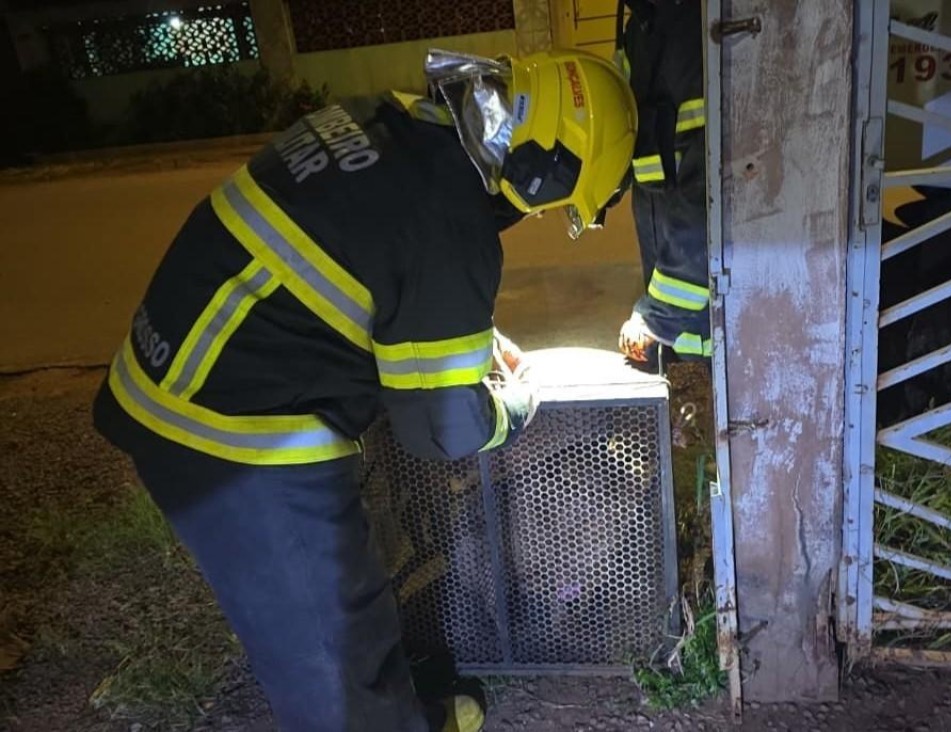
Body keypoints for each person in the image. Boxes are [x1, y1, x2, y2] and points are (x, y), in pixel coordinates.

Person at [91, 48, 637, 732]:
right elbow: (443, 428)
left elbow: (377, 256)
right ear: (550, 171)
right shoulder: (451, 219)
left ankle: (399, 710)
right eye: (560, 202)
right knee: (329, 642)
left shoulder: (392, 118)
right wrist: (516, 406)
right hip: (232, 431)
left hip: (176, 368)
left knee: (349, 607)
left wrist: (465, 338)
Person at [614, 0, 711, 372]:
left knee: (713, 415)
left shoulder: (700, 31)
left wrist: (658, 317)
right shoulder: (643, 26)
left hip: (715, 339)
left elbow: (709, 200)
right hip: (682, 331)